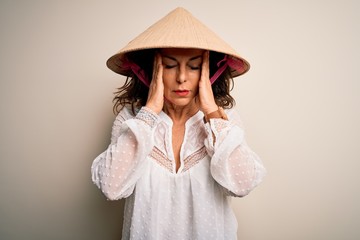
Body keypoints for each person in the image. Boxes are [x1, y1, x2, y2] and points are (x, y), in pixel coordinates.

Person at [91, 7, 266, 240]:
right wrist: (150, 111)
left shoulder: (224, 122)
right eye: (170, 66)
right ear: (151, 71)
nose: (182, 77)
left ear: (209, 73)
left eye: (194, 67)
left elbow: (242, 184)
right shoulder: (131, 119)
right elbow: (111, 187)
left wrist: (212, 113)